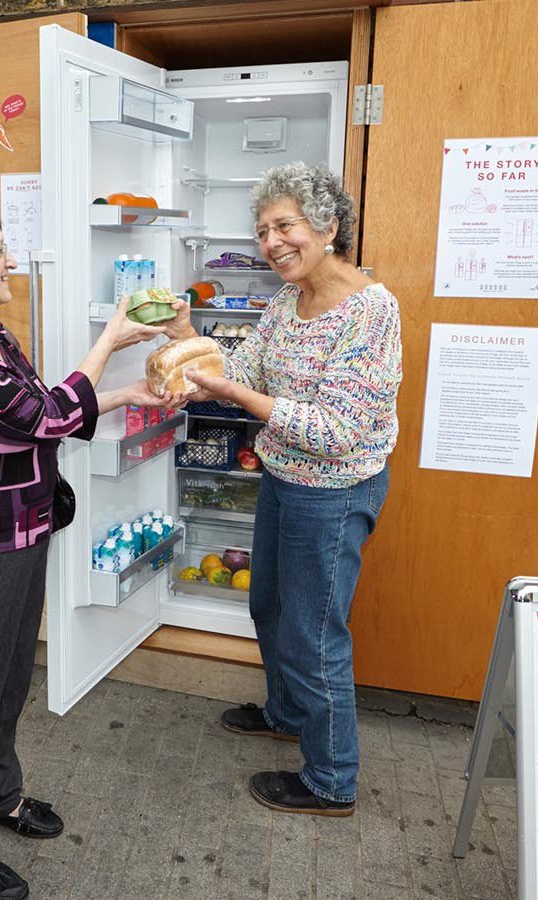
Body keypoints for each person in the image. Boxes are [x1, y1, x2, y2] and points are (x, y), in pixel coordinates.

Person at [0, 201, 181, 900]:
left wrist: (128, 393)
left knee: (12, 675)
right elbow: (44, 418)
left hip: (22, 531)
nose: (10, 260)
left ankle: (0, 794)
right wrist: (112, 335)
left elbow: (41, 411)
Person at [166, 162, 402, 816]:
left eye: (284, 226)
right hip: (282, 475)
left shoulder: (370, 310)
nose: (271, 242)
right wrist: (187, 338)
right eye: (263, 230)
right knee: (268, 606)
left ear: (328, 226)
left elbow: (336, 429)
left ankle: (331, 781)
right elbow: (238, 367)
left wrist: (240, 394)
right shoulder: (283, 302)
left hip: (333, 491)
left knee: (313, 633)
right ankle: (289, 712)